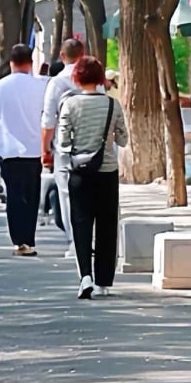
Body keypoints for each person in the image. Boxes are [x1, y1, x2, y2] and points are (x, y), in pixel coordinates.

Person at [58, 56, 129, 299]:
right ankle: (103, 282)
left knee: (81, 224)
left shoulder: (69, 105)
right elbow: (123, 139)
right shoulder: (112, 105)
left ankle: (85, 276)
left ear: (77, 77)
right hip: (107, 172)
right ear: (100, 78)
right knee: (107, 226)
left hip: (79, 173)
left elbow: (63, 142)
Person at [0, 44, 49, 256]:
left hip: (8, 150)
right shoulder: (41, 86)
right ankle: (29, 239)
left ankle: (18, 240)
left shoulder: (0, 86)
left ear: (11, 63)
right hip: (34, 149)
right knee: (31, 196)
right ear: (30, 62)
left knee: (14, 195)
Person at [41, 39, 85, 255]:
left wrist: (45, 149)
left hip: (65, 146)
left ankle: (75, 242)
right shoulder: (93, 80)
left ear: (62, 56)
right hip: (94, 144)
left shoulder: (57, 83)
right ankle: (90, 238)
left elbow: (48, 121)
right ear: (83, 54)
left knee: (67, 194)